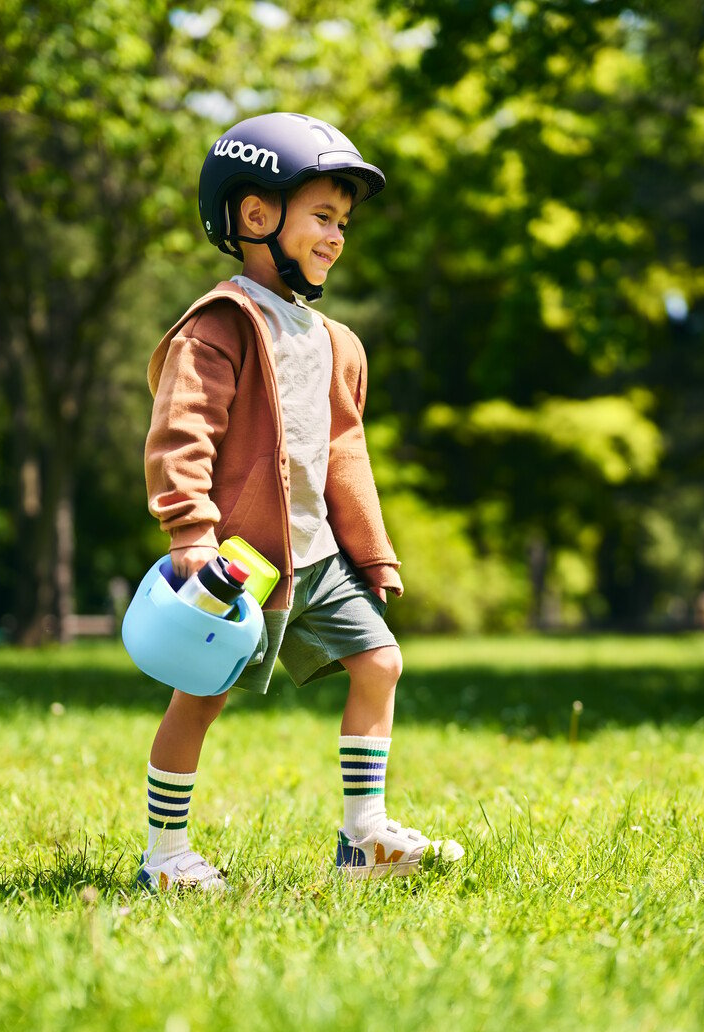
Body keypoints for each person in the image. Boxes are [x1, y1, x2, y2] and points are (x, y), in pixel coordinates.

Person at [136, 112, 463, 892]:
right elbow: (181, 431)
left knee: (380, 661)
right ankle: (166, 855)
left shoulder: (335, 342)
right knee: (200, 699)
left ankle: (364, 840)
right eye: (323, 215)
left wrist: (373, 550)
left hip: (320, 560)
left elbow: (346, 451)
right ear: (257, 214)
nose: (337, 235)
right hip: (241, 563)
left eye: (343, 222)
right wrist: (190, 533)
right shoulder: (222, 324)